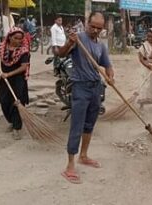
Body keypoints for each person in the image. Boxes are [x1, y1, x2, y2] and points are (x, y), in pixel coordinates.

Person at [58, 12, 114, 184]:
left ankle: (84, 155)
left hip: (96, 88)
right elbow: (61, 53)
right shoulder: (78, 38)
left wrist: (110, 76)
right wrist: (69, 43)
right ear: (86, 23)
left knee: (89, 124)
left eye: (99, 28)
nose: (95, 30)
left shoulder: (101, 46)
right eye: (93, 26)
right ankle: (70, 166)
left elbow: (108, 65)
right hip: (80, 87)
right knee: (77, 126)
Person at [0, 27, 30, 140]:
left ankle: (17, 128)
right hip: (5, 80)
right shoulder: (2, 47)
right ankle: (11, 121)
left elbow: (24, 67)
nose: (19, 41)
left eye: (20, 39)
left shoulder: (24, 51)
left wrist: (9, 74)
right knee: (4, 102)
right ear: (10, 37)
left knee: (17, 103)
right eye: (16, 38)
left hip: (18, 80)